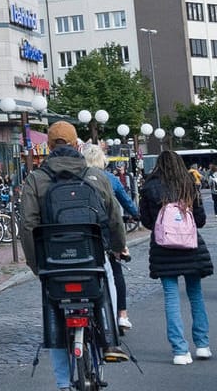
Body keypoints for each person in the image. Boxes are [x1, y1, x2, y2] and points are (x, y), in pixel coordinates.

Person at [19, 121, 130, 387]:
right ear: (76, 144)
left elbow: (27, 225)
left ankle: (62, 383)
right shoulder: (96, 176)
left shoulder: (36, 178)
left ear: (48, 145)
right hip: (91, 256)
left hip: (53, 261)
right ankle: (109, 341)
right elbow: (115, 218)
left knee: (54, 316)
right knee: (104, 286)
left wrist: (37, 265)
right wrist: (117, 247)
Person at [138, 149, 214, 365]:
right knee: (195, 295)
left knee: (171, 297)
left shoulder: (150, 187)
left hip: (164, 250)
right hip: (190, 247)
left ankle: (180, 351)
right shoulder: (188, 184)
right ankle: (202, 345)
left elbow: (146, 221)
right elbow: (200, 220)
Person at [82, 142, 137, 334]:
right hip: (106, 233)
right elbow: (123, 202)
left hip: (84, 234)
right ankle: (121, 315)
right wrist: (136, 214)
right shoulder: (110, 179)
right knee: (116, 272)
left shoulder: (78, 178)